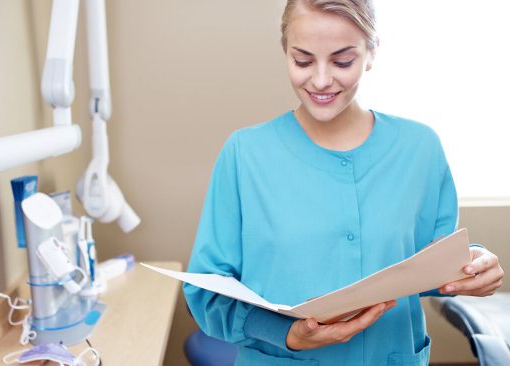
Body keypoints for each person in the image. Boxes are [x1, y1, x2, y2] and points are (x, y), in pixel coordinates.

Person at [183, 0, 505, 365]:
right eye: (302, 60)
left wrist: (474, 266)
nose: (320, 80)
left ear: (371, 53)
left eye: (342, 61)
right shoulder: (244, 154)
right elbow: (206, 293)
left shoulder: (420, 149)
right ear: (284, 51)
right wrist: (287, 334)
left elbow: (428, 266)